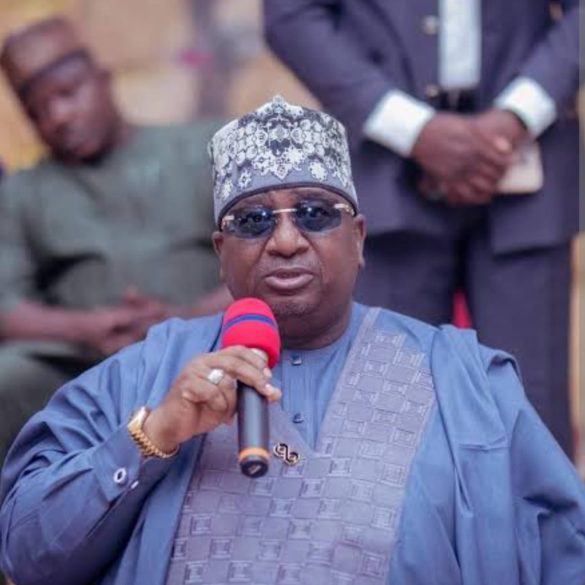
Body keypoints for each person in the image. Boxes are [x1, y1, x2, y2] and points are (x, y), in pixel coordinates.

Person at [0, 96, 583, 585]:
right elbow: (27, 554)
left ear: (358, 239)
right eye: (253, 221)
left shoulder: (467, 382)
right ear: (220, 251)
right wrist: (155, 436)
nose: (285, 241)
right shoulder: (141, 374)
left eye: (315, 213)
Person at [263, 1, 581, 458]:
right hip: (381, 173)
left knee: (531, 416)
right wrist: (411, 130)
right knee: (383, 415)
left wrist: (518, 114)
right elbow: (291, 16)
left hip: (528, 170)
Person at [0, 17, 231, 465]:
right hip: (82, 367)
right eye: (37, 111)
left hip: (208, 342)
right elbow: (7, 309)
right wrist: (88, 328)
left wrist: (179, 321)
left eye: (68, 93)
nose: (57, 117)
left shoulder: (200, 148)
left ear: (103, 80)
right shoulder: (22, 192)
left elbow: (262, 264)